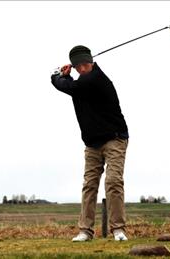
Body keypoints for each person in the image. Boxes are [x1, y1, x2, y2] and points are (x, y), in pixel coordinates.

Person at [50, 45, 129, 242]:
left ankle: (118, 229)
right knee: (89, 185)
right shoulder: (82, 83)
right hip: (92, 142)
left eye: (85, 64)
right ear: (75, 67)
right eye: (79, 66)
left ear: (91, 62)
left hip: (115, 138)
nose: (82, 69)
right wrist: (66, 77)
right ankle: (85, 231)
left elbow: (68, 87)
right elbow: (73, 88)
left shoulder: (96, 79)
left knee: (113, 182)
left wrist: (56, 76)